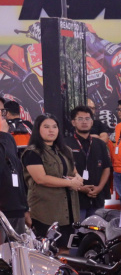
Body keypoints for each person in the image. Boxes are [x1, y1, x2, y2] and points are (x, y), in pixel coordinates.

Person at [21, 114, 83, 246]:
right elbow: (41, 179)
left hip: (70, 211)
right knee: (48, 250)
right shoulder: (32, 152)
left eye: (54, 127)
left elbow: (74, 171)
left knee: (67, 249)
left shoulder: (66, 150)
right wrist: (70, 183)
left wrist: (78, 178)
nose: (51, 130)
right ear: (37, 129)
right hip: (46, 212)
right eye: (46, 127)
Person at [64, 106, 111, 220]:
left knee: (97, 229)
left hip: (97, 197)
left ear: (92, 122)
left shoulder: (100, 144)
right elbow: (63, 171)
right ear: (73, 122)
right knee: (77, 229)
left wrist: (99, 188)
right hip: (76, 197)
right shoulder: (65, 144)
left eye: (87, 118)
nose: (84, 122)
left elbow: (106, 167)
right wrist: (81, 188)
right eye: (80, 119)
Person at [0, 99, 30, 234]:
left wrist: (25, 207)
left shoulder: (9, 138)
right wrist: (2, 135)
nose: (3, 116)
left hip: (16, 209)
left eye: (3, 111)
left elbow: (17, 171)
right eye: (0, 112)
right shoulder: (4, 136)